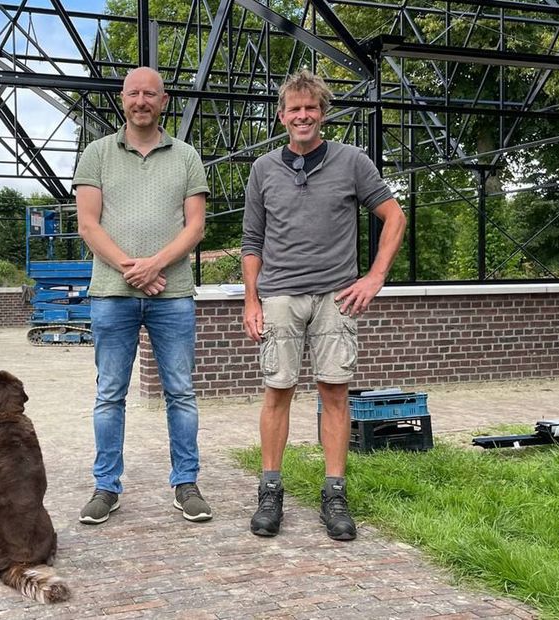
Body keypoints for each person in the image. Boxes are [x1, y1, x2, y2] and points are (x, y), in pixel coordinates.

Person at [240, 70, 406, 541]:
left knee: (334, 391)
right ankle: (270, 491)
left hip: (337, 296)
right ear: (281, 115)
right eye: (294, 108)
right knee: (278, 391)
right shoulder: (263, 169)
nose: (303, 116)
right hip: (280, 296)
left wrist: (374, 277)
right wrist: (252, 299)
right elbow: (252, 241)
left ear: (323, 113)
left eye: (311, 107)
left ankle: (335, 494)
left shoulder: (353, 161)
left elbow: (394, 217)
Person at [72, 66, 212, 525]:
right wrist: (135, 270)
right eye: (134, 93)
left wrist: (154, 266)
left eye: (150, 93)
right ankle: (106, 487)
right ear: (123, 98)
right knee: (109, 394)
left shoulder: (187, 156)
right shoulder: (96, 154)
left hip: (172, 296)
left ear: (164, 100)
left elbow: (195, 226)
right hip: (112, 294)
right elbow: (88, 224)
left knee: (181, 393)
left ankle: (186, 483)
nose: (141, 101)